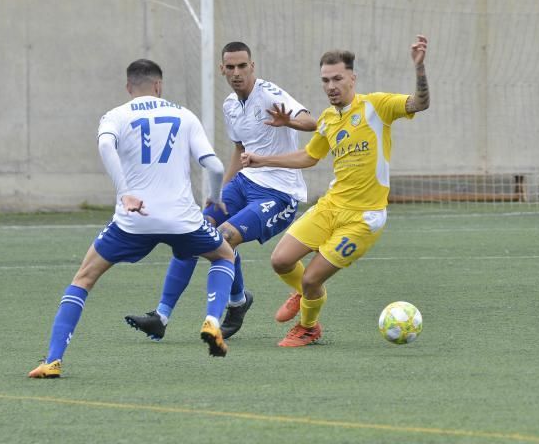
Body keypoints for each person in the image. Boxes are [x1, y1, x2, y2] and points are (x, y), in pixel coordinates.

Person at [29, 60, 235, 379]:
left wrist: (125, 191)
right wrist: (216, 196)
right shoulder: (184, 115)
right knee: (224, 256)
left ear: (129, 87)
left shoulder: (116, 115)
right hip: (183, 219)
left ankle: (53, 360)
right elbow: (215, 165)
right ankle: (212, 321)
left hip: (134, 220)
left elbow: (104, 145)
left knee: (83, 278)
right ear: (159, 85)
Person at [240, 35, 430, 347]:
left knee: (313, 277)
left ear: (352, 78)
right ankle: (303, 293)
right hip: (331, 206)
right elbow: (309, 157)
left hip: (363, 218)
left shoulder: (377, 106)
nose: (331, 86)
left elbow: (420, 103)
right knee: (280, 261)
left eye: (337, 78)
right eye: (325, 80)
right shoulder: (327, 119)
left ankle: (308, 327)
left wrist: (419, 68)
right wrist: (262, 160)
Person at [124, 42, 316, 341]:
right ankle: (161, 316)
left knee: (223, 237)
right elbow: (239, 149)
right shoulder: (230, 105)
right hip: (244, 183)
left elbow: (311, 121)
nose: (237, 73)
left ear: (252, 66)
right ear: (222, 69)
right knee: (190, 230)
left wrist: (288, 120)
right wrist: (221, 192)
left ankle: (236, 303)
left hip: (278, 193)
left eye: (242, 66)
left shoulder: (270, 94)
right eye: (231, 67)